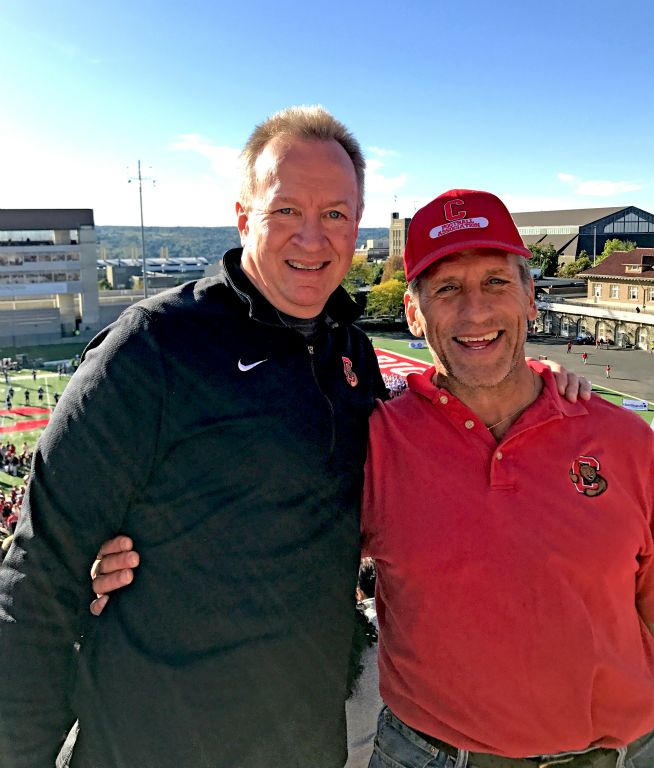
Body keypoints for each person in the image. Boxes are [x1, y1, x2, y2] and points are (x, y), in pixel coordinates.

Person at [0, 105, 388, 768]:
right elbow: (37, 579)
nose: (313, 239)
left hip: (302, 744)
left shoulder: (351, 354)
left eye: (335, 215)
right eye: (286, 210)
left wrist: (536, 386)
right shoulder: (154, 346)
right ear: (244, 218)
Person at [362, 190, 654, 768]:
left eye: (496, 282)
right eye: (446, 288)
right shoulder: (373, 443)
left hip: (621, 752)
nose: (475, 312)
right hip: (433, 752)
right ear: (413, 313)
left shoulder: (626, 441)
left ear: (530, 301)